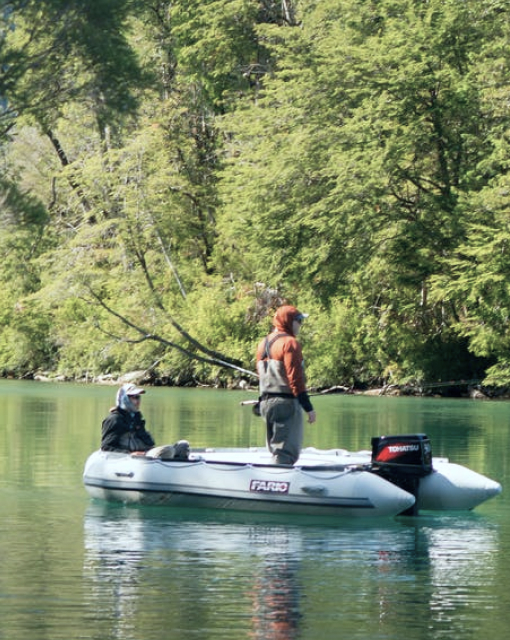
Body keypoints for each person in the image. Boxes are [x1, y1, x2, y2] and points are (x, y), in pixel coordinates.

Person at [256, 305, 317, 465]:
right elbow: (295, 379)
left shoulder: (263, 343)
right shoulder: (290, 343)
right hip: (286, 404)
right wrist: (308, 407)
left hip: (265, 404)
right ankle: (278, 484)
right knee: (285, 453)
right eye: (299, 320)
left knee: (275, 449)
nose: (301, 324)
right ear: (289, 321)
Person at [101, 383, 155, 453]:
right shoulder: (114, 420)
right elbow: (106, 447)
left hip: (144, 457)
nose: (138, 401)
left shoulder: (136, 418)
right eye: (134, 397)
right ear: (124, 399)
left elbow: (149, 442)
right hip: (127, 458)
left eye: (138, 397)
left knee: (171, 450)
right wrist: (130, 454)